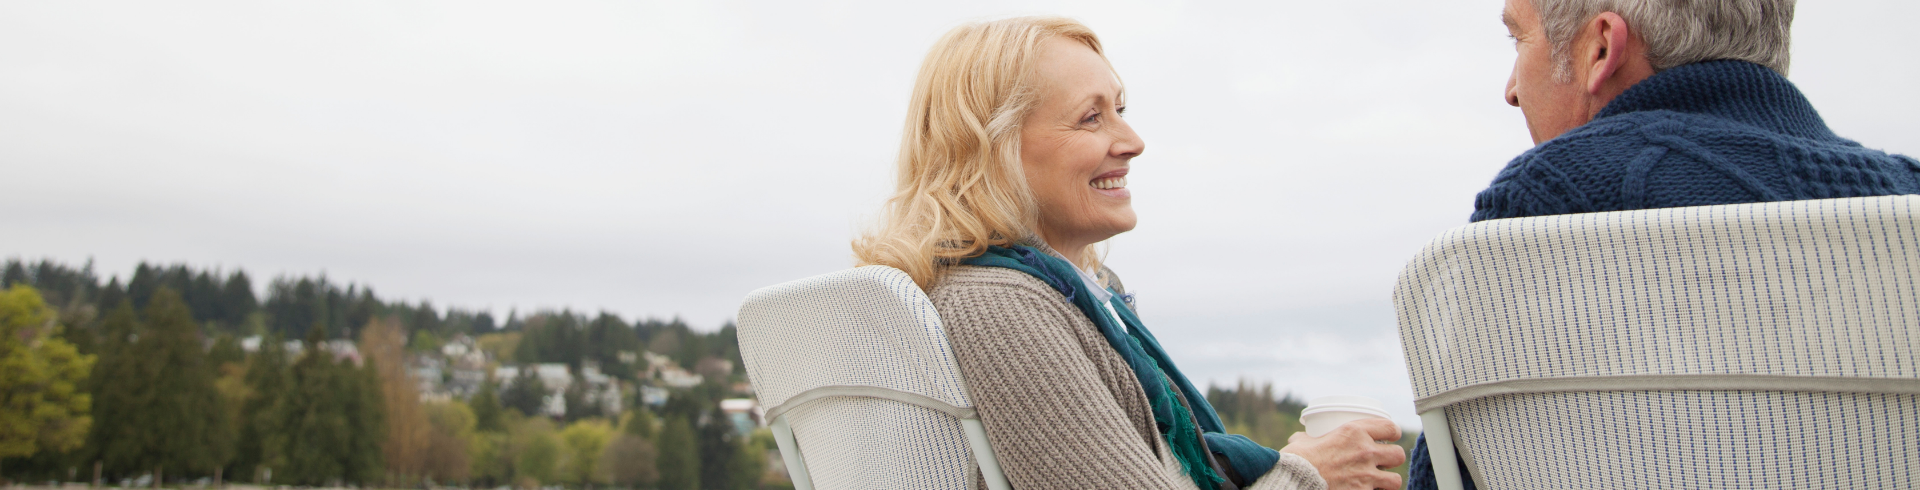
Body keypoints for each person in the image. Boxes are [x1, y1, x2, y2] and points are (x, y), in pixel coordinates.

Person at [852, 16, 1406, 490]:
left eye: (1119, 108)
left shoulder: (1072, 295)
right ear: (992, 149)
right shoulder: (998, 305)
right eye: (1092, 117)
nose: (1132, 140)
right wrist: (1304, 474)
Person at [1412, 0, 1920, 488]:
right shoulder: (1907, 198)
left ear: (1602, 49)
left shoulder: (1542, 205)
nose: (1512, 89)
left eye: (1518, 36)